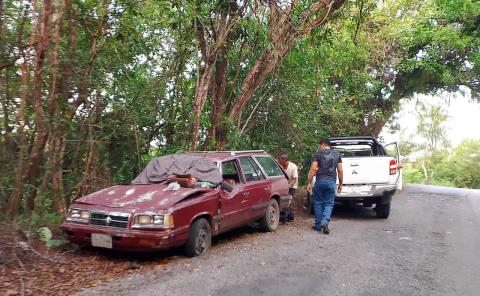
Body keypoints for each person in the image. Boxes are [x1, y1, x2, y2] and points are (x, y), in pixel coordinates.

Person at [307, 138, 343, 234]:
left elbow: (313, 169)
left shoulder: (318, 154)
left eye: (320, 145)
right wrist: (340, 183)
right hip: (331, 182)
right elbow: (340, 170)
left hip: (320, 181)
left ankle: (318, 225)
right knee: (329, 203)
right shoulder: (337, 154)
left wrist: (309, 183)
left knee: (318, 203)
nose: (320, 147)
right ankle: (325, 222)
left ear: (323, 144)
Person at [278, 153, 298, 223]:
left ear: (285, 160)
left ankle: (283, 219)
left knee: (287, 202)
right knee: (284, 201)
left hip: (292, 186)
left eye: (280, 160)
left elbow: (294, 179)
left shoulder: (293, 167)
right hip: (283, 186)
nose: (279, 162)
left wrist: (289, 185)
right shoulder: (279, 165)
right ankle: (291, 215)